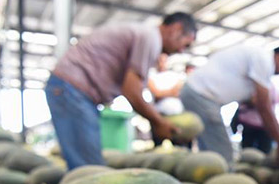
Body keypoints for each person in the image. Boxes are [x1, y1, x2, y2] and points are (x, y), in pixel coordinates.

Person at [46, 12, 197, 169]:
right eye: (186, 45)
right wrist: (159, 122)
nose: (181, 51)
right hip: (71, 90)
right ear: (176, 29)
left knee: (88, 163)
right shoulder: (150, 38)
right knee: (88, 167)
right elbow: (132, 91)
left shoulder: (145, 36)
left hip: (72, 91)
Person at [181, 44, 279, 165]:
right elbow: (264, 107)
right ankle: (224, 182)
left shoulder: (257, 58)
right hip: (201, 96)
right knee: (224, 155)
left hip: (196, 94)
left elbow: (254, 99)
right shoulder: (264, 60)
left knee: (210, 153)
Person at [230, 84, 279, 154]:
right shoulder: (252, 85)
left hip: (265, 127)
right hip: (249, 125)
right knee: (247, 151)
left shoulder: (273, 88)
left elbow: (276, 103)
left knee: (265, 152)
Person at [148, 53, 185, 146]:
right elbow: (156, 94)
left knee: (179, 144)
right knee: (158, 144)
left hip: (176, 115)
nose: (162, 63)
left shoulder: (175, 75)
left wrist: (163, 93)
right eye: (159, 60)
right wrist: (171, 92)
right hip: (159, 115)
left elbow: (179, 91)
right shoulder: (151, 75)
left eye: (164, 60)